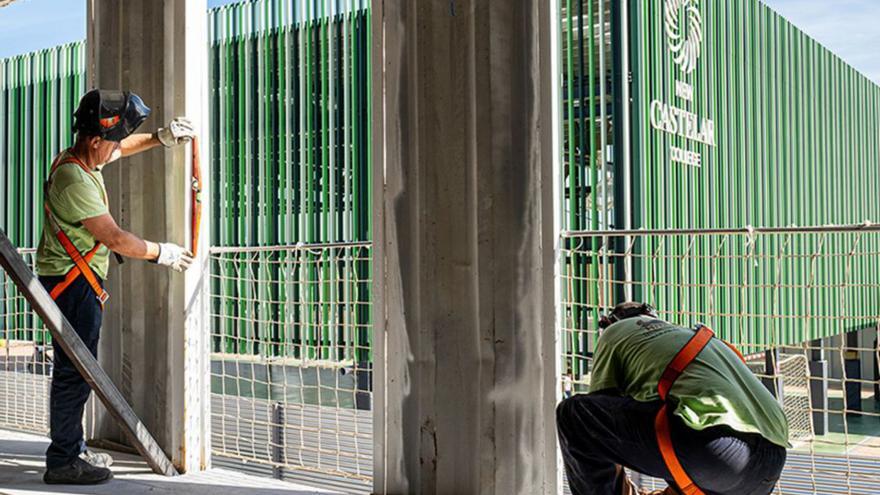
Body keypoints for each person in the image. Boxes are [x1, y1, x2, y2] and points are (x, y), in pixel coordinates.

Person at [36, 89, 196, 485]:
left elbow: (123, 148)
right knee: (75, 373)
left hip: (72, 283)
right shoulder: (76, 179)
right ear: (94, 140)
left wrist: (160, 137)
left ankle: (69, 448)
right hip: (73, 288)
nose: (116, 148)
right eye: (111, 141)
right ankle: (63, 460)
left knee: (75, 369)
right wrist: (163, 253)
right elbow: (116, 239)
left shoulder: (84, 160)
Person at [556, 302, 789, 495]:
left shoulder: (616, 332)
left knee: (575, 416)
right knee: (677, 437)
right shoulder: (694, 336)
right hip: (768, 468)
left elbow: (601, 418)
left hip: (713, 450)